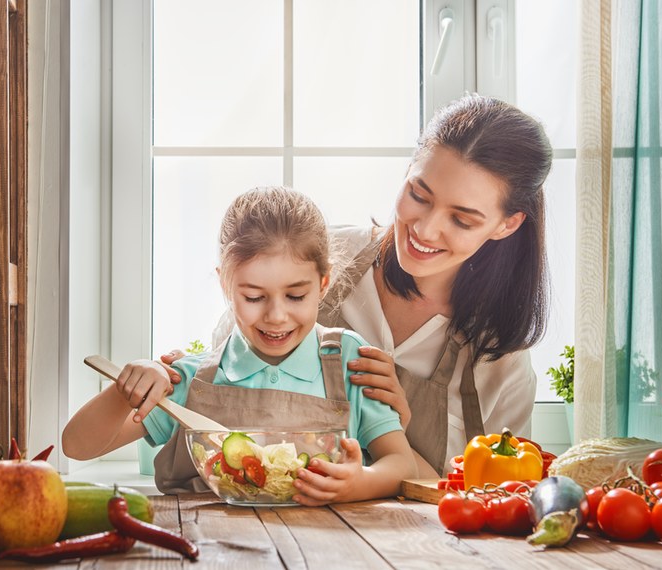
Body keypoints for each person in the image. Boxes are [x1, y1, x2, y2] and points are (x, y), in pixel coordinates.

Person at [163, 94, 553, 478]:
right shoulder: (322, 258)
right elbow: (225, 390)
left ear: (507, 224)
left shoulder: (500, 360)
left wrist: (395, 431)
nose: (425, 228)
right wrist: (181, 377)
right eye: (419, 195)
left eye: (462, 220)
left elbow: (494, 500)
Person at [62, 186, 417, 505]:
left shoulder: (347, 361)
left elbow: (401, 463)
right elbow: (77, 446)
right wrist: (125, 390)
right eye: (253, 296)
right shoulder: (189, 379)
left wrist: (360, 483)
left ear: (323, 284)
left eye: (296, 295)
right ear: (225, 286)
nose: (276, 316)